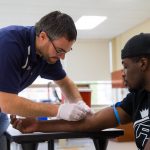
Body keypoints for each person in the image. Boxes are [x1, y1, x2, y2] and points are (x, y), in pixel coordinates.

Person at [11, 33, 150, 150]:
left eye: (125, 66)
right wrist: (38, 125)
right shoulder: (137, 97)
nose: (123, 74)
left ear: (143, 63)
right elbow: (91, 122)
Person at [0, 11, 92, 150]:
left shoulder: (47, 55)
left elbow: (65, 82)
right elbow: (7, 103)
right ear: (42, 36)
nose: (62, 57)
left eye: (66, 52)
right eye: (59, 50)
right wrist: (59, 110)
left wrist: (79, 103)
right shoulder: (9, 43)